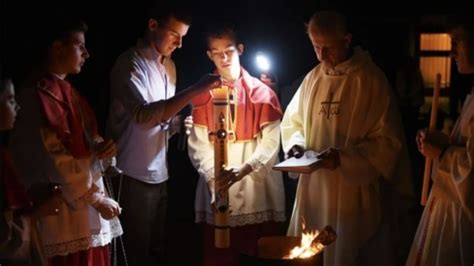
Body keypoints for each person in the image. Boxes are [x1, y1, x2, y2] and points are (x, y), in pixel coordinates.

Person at [280, 11, 413, 266]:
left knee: (348, 253)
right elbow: (292, 122)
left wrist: (343, 158)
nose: (321, 56)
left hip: (353, 191)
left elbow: (387, 143)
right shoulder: (313, 78)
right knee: (310, 251)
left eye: (328, 48)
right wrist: (296, 145)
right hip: (315, 189)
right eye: (316, 47)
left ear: (347, 39)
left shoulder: (371, 80)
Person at [106, 4, 221, 265]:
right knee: (135, 250)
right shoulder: (129, 63)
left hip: (160, 173)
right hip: (131, 173)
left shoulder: (169, 67)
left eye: (183, 38)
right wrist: (194, 90)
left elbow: (160, 120)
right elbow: (144, 118)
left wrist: (177, 125)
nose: (179, 44)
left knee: (156, 248)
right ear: (153, 26)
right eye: (174, 35)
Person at [8, 17, 123, 265]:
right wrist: (97, 199)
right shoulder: (36, 96)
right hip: (62, 210)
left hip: (83, 207)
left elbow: (85, 138)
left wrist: (102, 148)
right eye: (79, 46)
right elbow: (53, 158)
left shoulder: (69, 91)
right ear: (57, 47)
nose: (87, 53)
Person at [187, 26, 286, 266]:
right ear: (209, 55)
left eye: (229, 51)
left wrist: (245, 168)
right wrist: (215, 178)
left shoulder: (262, 93)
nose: (223, 58)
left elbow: (271, 142)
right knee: (219, 255)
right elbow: (198, 144)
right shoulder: (201, 95)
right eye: (217, 52)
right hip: (217, 185)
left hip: (254, 186)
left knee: (256, 252)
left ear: (240, 50)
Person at [406, 16, 474, 266]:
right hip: (449, 207)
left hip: (461, 219)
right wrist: (441, 141)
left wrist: (443, 153)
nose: (452, 50)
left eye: (459, 41)